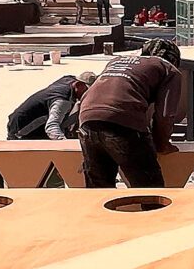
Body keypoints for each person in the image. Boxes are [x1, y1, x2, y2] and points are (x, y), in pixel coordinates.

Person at [77, 40, 182, 188]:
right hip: (121, 124)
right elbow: (165, 114)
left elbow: (94, 95)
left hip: (87, 121)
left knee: (98, 194)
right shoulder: (168, 69)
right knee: (150, 193)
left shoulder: (117, 61)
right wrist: (162, 143)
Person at [6, 70, 92, 141]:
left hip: (25, 120)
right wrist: (66, 145)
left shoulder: (68, 80)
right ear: (78, 85)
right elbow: (52, 127)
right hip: (21, 131)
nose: (89, 94)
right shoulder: (61, 101)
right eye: (88, 91)